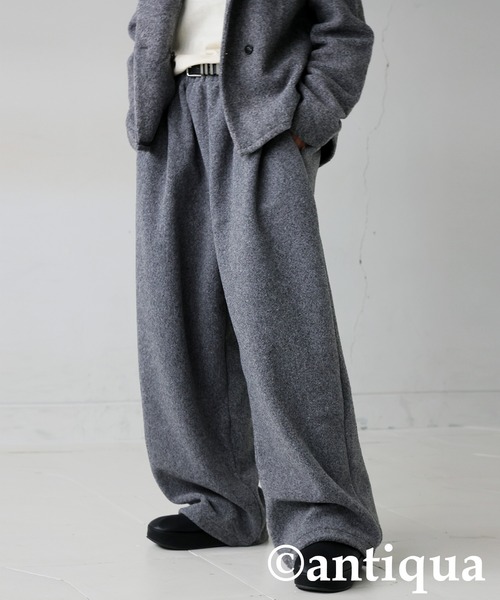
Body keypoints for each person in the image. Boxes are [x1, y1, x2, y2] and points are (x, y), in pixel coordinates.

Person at [126, 0, 383, 593]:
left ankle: (326, 520)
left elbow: (345, 32)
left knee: (283, 323)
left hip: (263, 115)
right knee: (178, 317)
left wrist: (309, 119)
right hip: (170, 112)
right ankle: (220, 502)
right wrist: (142, 97)